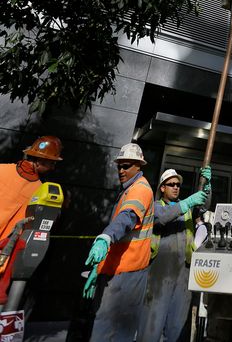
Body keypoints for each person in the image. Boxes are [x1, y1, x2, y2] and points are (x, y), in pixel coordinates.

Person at [83, 142, 154, 342]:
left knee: (109, 330)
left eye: (126, 166)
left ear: (139, 166)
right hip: (119, 269)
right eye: (119, 166)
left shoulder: (140, 189)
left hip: (128, 272)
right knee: (111, 328)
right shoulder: (128, 189)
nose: (121, 170)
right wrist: (99, 268)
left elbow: (127, 218)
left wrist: (105, 238)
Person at [136, 164, 211, 342]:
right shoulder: (154, 207)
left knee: (178, 328)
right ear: (162, 188)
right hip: (159, 274)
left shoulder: (188, 209)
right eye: (172, 184)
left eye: (178, 185)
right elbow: (163, 218)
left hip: (183, 273)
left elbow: (204, 204)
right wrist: (188, 203)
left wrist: (208, 186)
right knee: (151, 324)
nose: (176, 187)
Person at [0, 136, 63, 241]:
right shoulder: (40, 192)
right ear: (39, 161)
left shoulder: (2, 169)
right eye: (52, 163)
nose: (53, 167)